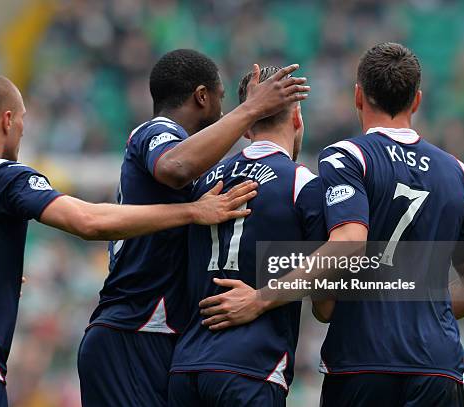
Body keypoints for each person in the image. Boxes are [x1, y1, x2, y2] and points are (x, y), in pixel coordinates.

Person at [0, 72, 260, 406]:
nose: (23, 130)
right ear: (7, 120)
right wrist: (192, 211)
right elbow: (89, 222)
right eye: (22, 119)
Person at [198, 43, 464, 407]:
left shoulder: (347, 158)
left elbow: (342, 259)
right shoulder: (461, 174)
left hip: (361, 363)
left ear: (358, 96)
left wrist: (262, 297)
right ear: (416, 101)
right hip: (439, 367)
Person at [77, 49, 310, 407]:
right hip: (134, 328)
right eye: (221, 99)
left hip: (171, 346)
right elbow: (175, 167)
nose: (225, 112)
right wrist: (251, 108)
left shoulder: (210, 178)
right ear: (202, 96)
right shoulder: (157, 132)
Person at [167, 66, 325, 407]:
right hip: (252, 368)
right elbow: (326, 284)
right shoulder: (304, 184)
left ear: (245, 125)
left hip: (186, 367)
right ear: (297, 117)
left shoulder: (204, 182)